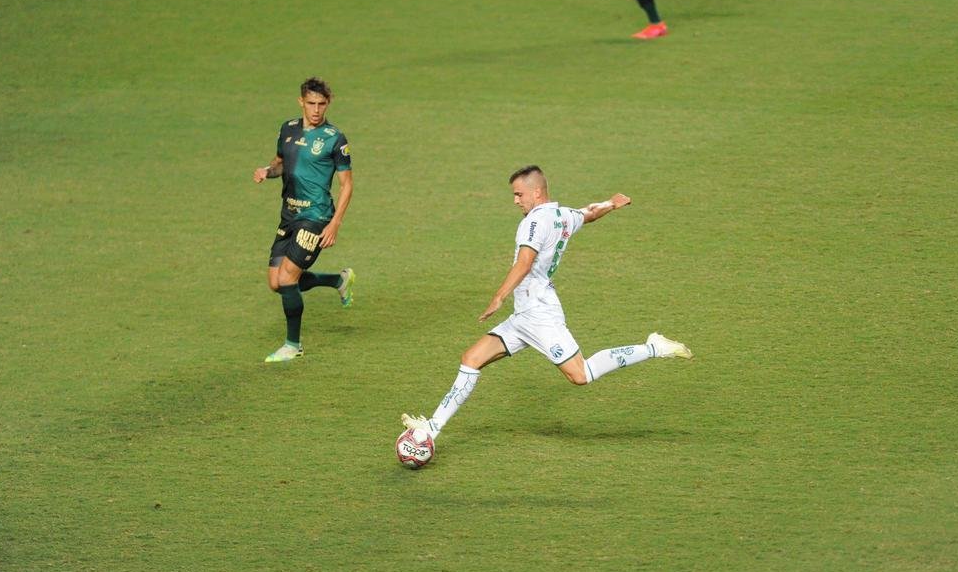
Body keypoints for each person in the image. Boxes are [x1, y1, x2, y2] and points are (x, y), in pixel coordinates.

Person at [401, 165, 693, 450]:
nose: (516, 201)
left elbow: (525, 262)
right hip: (525, 314)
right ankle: (432, 427)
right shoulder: (562, 215)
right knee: (471, 359)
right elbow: (589, 213)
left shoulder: (533, 222)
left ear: (536, 192)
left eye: (519, 194)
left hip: (538, 314)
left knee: (581, 374)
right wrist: (611, 204)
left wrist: (499, 296)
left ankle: (654, 347)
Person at [252, 77, 355, 363]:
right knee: (276, 283)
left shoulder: (335, 138)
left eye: (321, 104)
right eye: (311, 103)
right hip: (289, 215)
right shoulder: (287, 129)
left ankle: (292, 345)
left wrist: (334, 223)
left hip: (316, 216)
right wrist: (266, 171)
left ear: (328, 103)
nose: (316, 110)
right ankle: (338, 280)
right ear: (301, 102)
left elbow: (347, 184)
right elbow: (280, 164)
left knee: (288, 278)